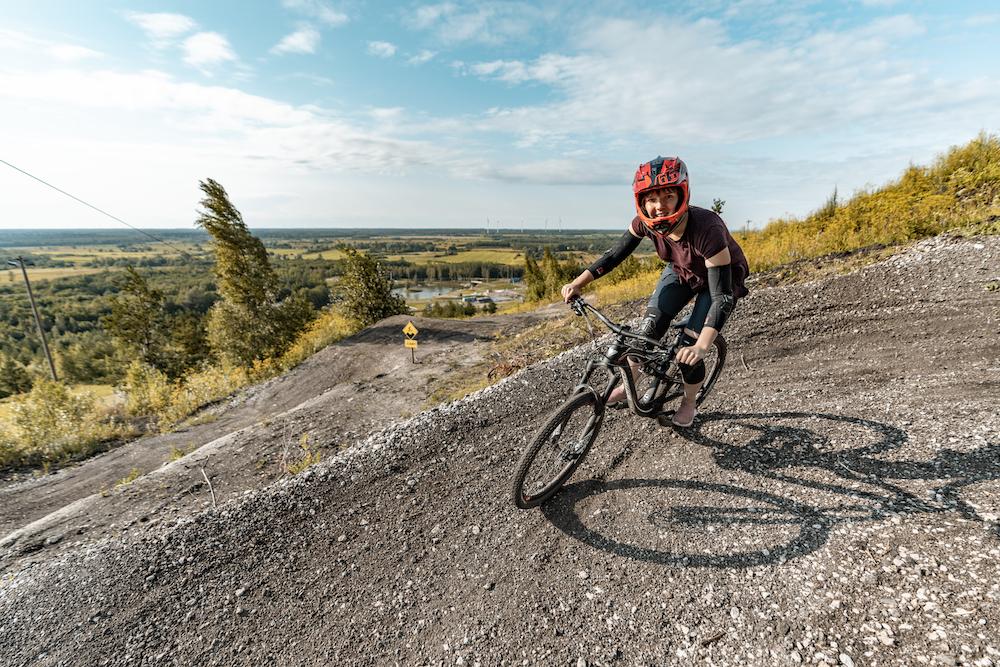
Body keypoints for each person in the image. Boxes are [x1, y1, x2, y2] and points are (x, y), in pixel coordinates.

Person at [560, 156, 749, 427]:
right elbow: (614, 255)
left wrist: (701, 345)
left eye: (668, 196)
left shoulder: (708, 229)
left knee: (687, 352)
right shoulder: (643, 222)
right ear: (642, 201)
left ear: (682, 194)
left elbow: (722, 297)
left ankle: (689, 402)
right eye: (651, 199)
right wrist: (578, 283)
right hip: (681, 269)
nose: (659, 206)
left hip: (718, 280)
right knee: (646, 332)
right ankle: (629, 385)